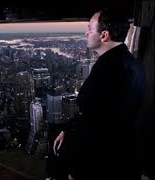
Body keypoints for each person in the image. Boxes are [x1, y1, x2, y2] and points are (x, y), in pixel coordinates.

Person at [53, 8, 146, 180]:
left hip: (99, 166)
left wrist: (77, 170)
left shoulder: (108, 69)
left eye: (90, 28)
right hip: (125, 160)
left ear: (104, 35)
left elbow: (97, 130)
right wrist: (67, 130)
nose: (86, 32)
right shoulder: (133, 64)